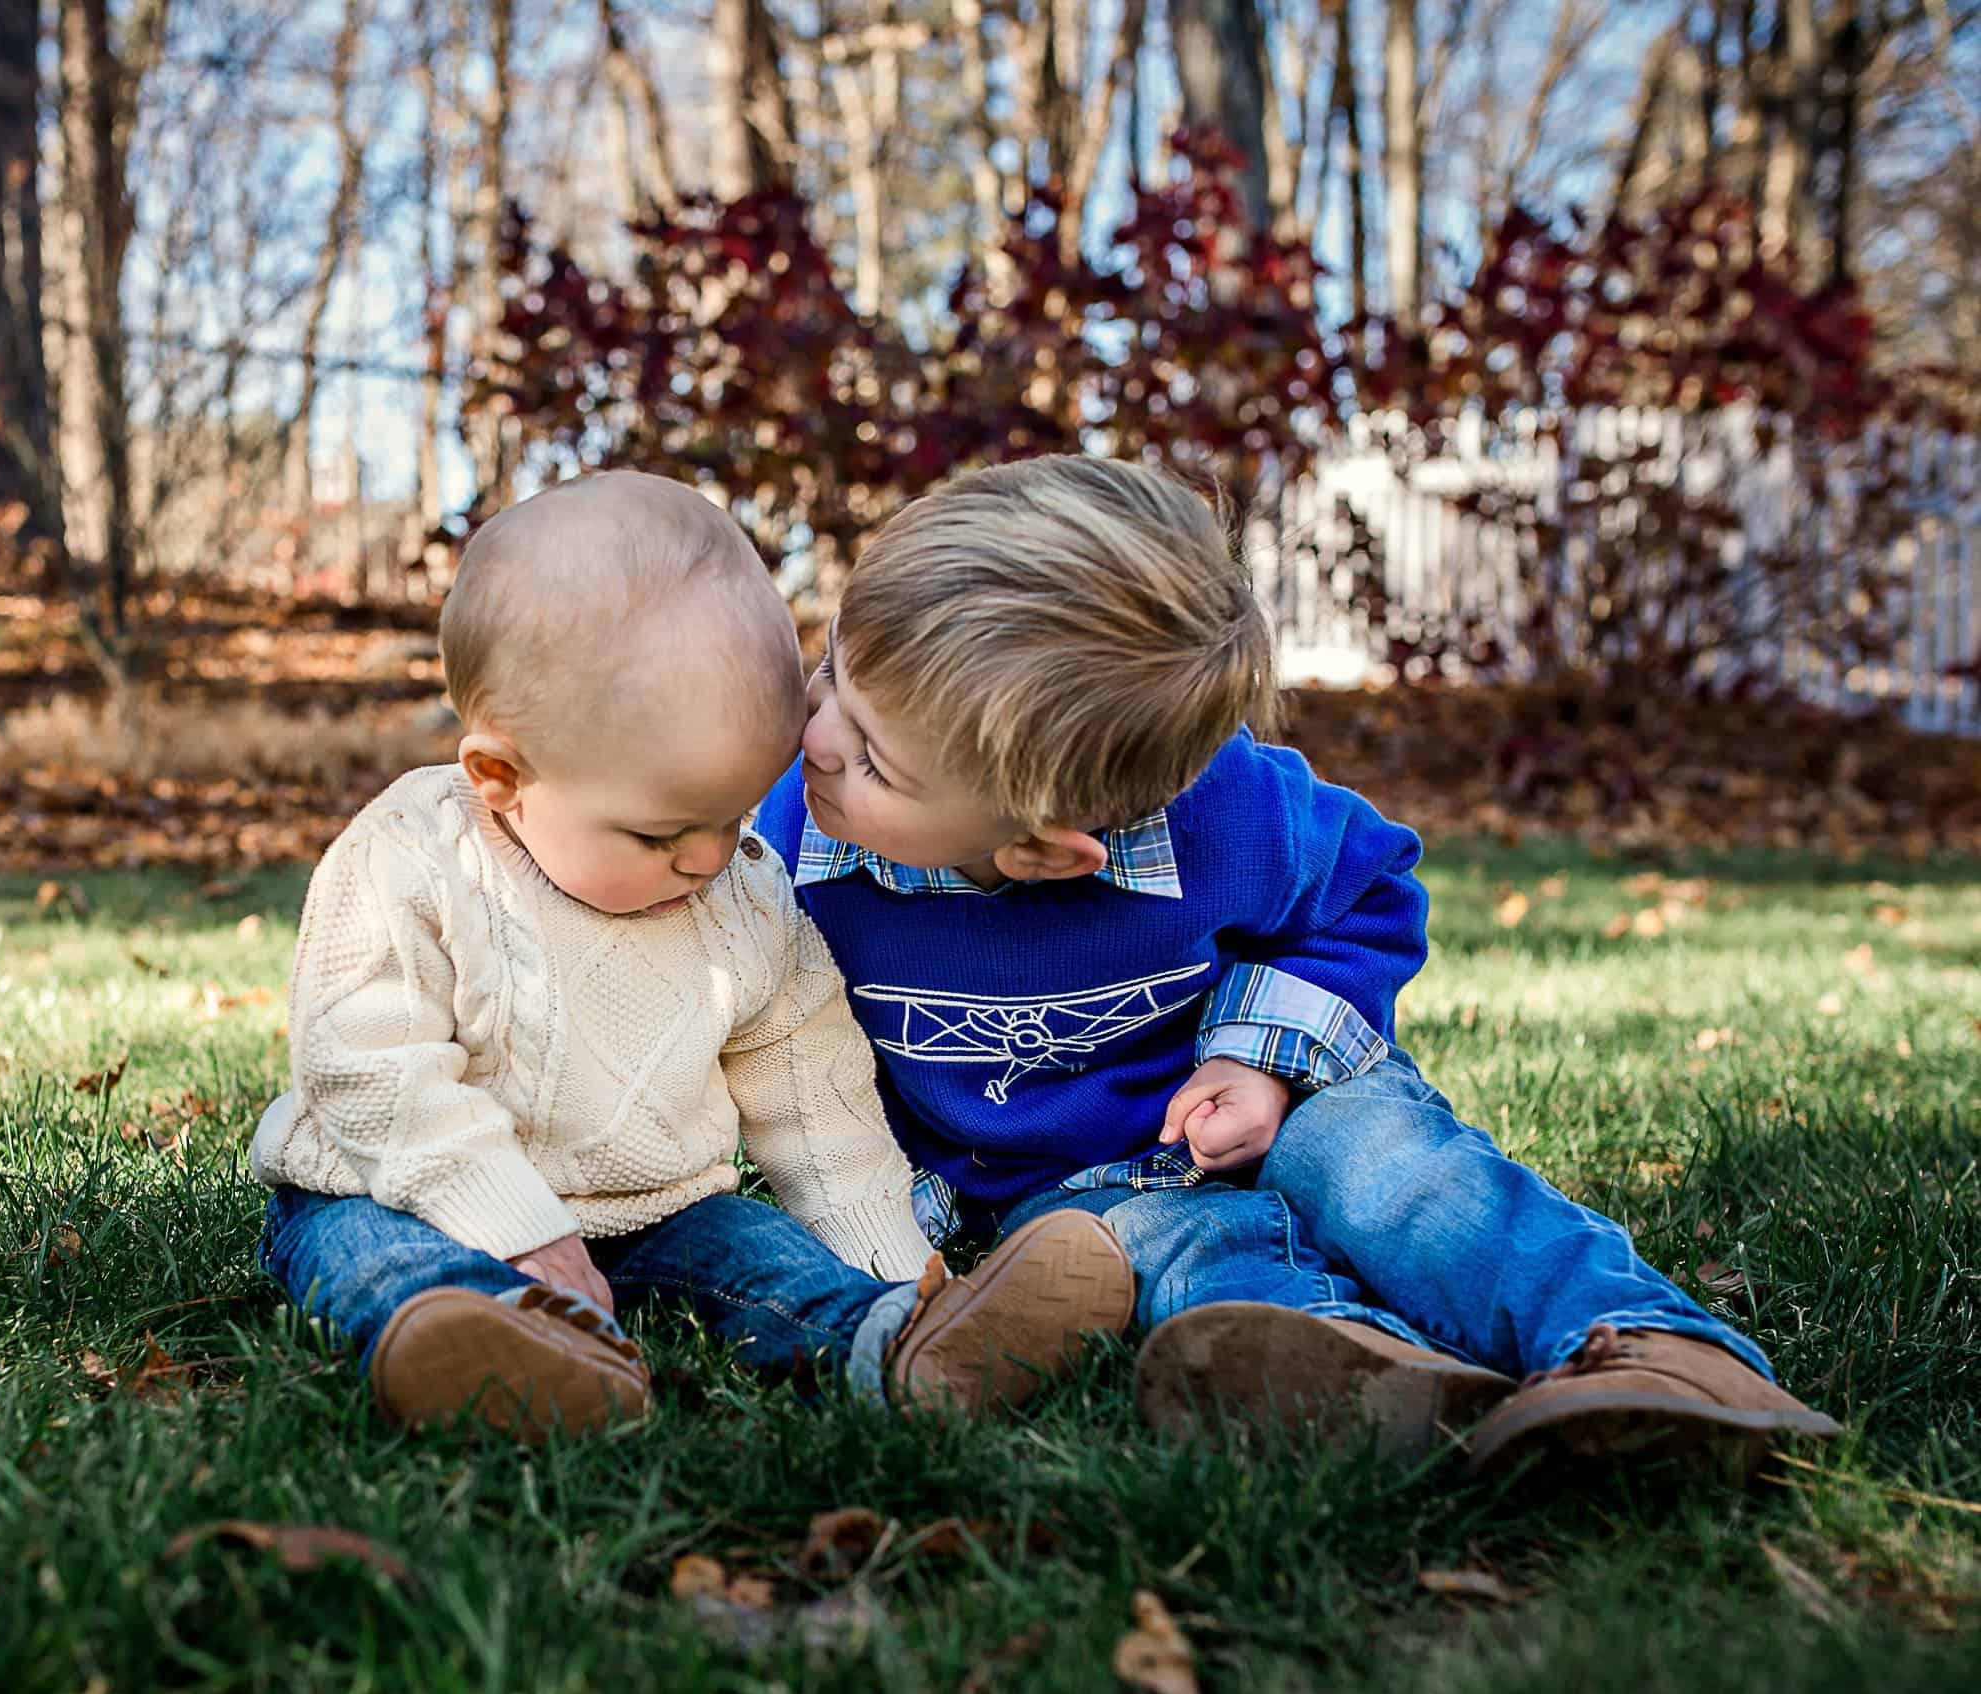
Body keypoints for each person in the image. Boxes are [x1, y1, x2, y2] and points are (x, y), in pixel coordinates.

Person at [754, 454, 1839, 1474]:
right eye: (838, 666)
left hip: (1260, 1100)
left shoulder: (1241, 821)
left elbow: (1370, 893)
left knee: (1384, 1162)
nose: (816, 734)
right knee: (1176, 1254)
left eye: (874, 758)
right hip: (1060, 1187)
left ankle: (1658, 1347)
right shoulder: (790, 837)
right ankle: (1356, 1368)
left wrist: (1262, 1061)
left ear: (1044, 852)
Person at [251, 473, 1135, 1442]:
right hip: (401, 1191)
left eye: (735, 816)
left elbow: (814, 1095)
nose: (712, 857)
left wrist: (889, 1258)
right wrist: (517, 1228)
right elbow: (369, 1069)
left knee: (757, 1254)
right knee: (370, 1258)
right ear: (501, 777)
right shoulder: (413, 859)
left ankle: (900, 1341)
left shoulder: (742, 894)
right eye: (665, 832)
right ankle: (494, 1351)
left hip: (652, 1215)